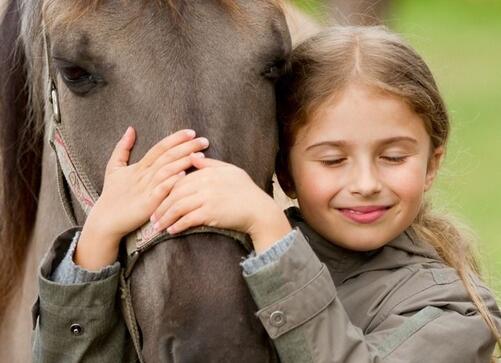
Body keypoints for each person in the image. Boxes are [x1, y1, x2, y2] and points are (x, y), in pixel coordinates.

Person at [33, 26, 501, 362]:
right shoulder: (225, 277)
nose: (364, 182)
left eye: (394, 157)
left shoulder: (454, 310)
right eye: (333, 160)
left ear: (431, 165)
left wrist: (276, 239)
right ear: (285, 172)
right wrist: (96, 244)